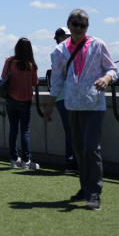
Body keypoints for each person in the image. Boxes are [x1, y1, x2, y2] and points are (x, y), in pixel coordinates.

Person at [44, 9, 117, 211]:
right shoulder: (60, 51)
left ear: (87, 27)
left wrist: (106, 78)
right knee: (78, 149)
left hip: (94, 104)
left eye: (82, 24)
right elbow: (57, 79)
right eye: (75, 24)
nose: (78, 28)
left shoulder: (97, 44)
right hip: (72, 104)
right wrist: (50, 104)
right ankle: (85, 188)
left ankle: (94, 192)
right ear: (68, 24)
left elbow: (112, 69)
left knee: (91, 148)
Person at [1, 38, 40, 170]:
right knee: (25, 132)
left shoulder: (9, 61)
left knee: (13, 129)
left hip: (11, 99)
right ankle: (26, 160)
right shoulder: (31, 65)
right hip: (26, 101)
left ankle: (13, 159)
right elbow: (35, 82)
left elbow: (3, 76)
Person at [50, 26, 76, 169]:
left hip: (64, 96)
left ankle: (72, 160)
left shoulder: (58, 52)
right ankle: (71, 161)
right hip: (66, 96)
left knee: (71, 130)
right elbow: (57, 77)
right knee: (72, 130)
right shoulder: (60, 51)